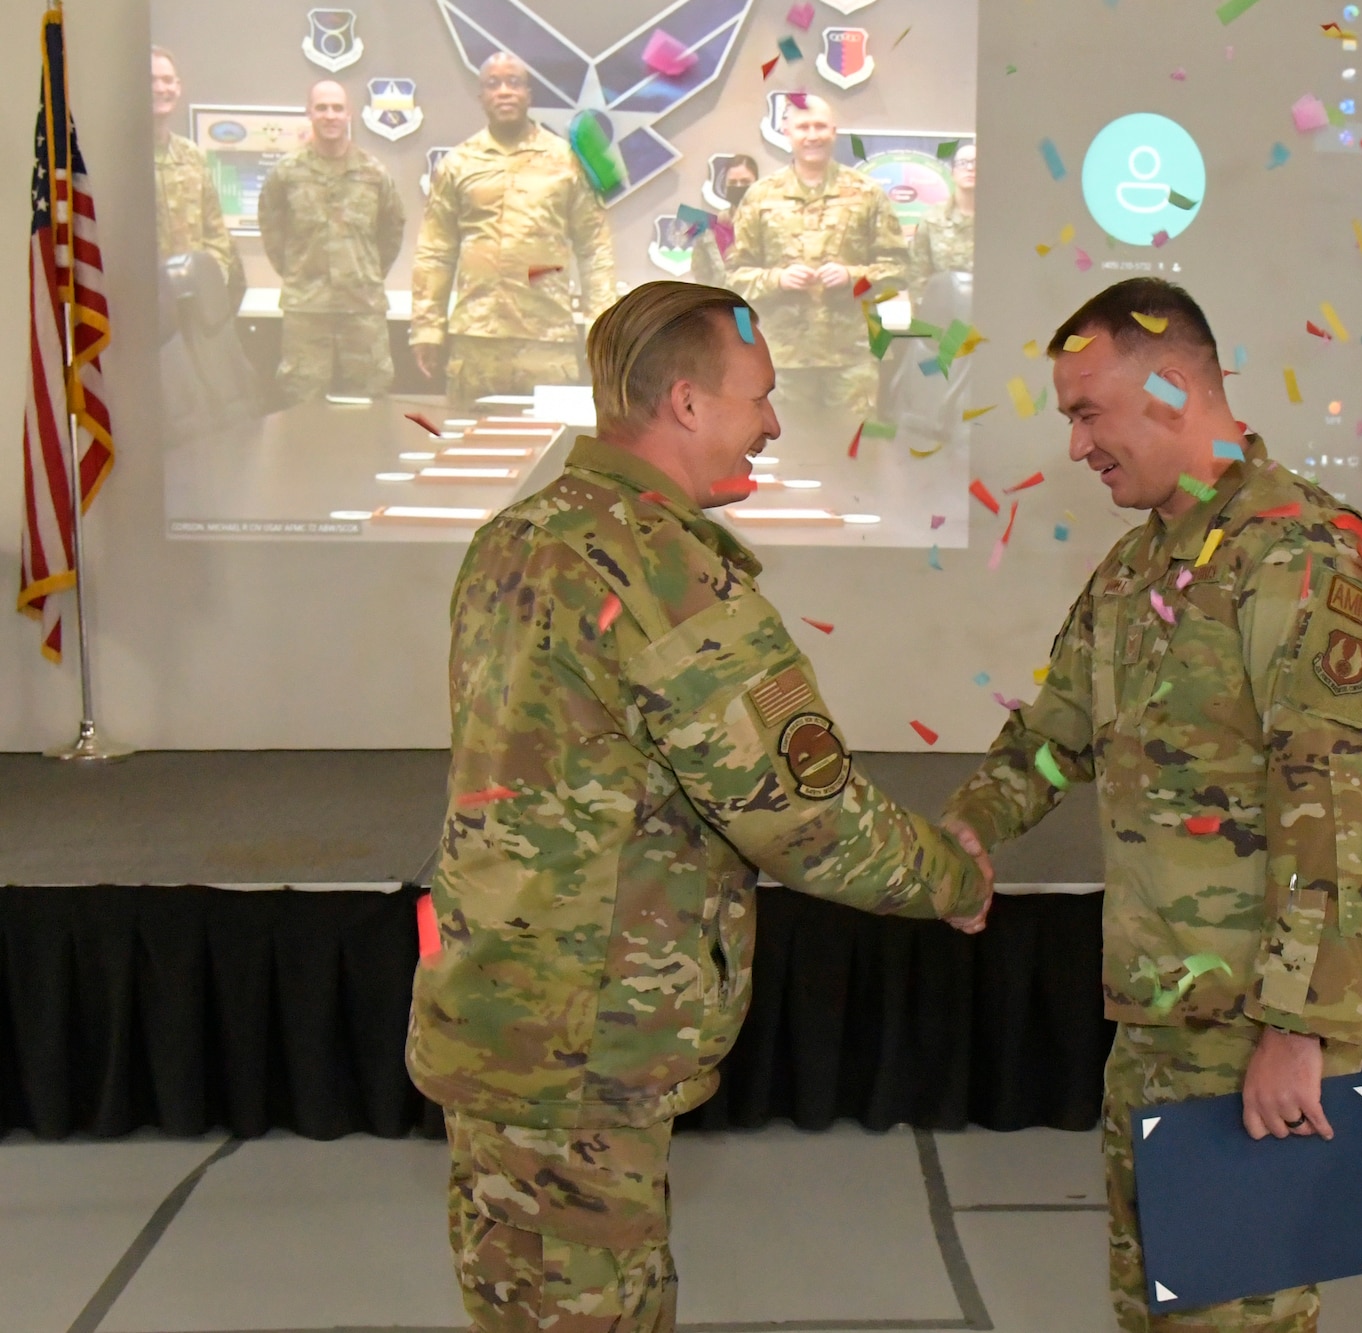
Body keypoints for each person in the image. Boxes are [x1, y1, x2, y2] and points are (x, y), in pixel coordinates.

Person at [407, 280, 993, 1332]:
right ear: (684, 404)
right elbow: (800, 812)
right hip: (585, 1046)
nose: (770, 423)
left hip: (509, 1011)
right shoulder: (662, 569)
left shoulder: (515, 533)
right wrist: (950, 876)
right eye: (758, 397)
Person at [939, 278, 1362, 1333]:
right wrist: (968, 829)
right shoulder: (1136, 569)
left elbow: (1333, 797)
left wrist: (1299, 1027)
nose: (1076, 447)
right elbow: (1054, 739)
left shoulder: (1300, 554)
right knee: (1157, 1309)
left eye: (1084, 411)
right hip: (1155, 1020)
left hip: (1258, 1032)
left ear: (1167, 388)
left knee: (1237, 1316)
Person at [410, 51, 618, 409]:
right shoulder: (457, 164)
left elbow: (594, 249)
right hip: (476, 342)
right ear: (481, 97)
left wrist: (603, 329)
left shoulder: (566, 161)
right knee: (470, 451)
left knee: (551, 454)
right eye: (493, 84)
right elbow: (435, 251)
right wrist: (427, 326)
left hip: (546, 341)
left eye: (514, 83)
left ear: (529, 95)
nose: (504, 91)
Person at [723, 95, 909, 431]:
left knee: (856, 455)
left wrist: (853, 275)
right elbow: (734, 276)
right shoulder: (760, 196)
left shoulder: (866, 193)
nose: (812, 135)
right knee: (789, 456)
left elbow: (898, 269)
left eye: (820, 126)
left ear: (834, 131)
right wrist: (777, 279)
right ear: (787, 132)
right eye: (803, 127)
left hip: (852, 358)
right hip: (782, 359)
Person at [257, 80, 406, 403]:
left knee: (370, 401)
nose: (330, 115)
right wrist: (298, 273)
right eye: (322, 107)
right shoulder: (286, 173)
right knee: (301, 400)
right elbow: (271, 229)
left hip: (362, 308)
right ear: (309, 112)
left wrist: (365, 272)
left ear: (349, 113)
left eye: (337, 108)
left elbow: (392, 230)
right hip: (307, 310)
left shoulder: (374, 172)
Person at [151, 46, 242, 306]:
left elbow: (216, 233)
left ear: (178, 87)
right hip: (142, 305)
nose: (160, 88)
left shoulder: (191, 155)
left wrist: (211, 281)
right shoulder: (124, 157)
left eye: (167, 80)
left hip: (194, 303)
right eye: (151, 80)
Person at [909, 142, 975, 289]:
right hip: (944, 309)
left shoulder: (1001, 221)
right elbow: (918, 277)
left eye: (976, 162)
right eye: (963, 163)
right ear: (953, 173)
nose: (970, 168)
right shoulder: (932, 219)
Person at [691, 153, 758, 289]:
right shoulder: (710, 229)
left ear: (757, 183)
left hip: (764, 307)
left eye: (745, 182)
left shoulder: (773, 223)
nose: (738, 187)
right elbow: (702, 276)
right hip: (727, 305)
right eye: (733, 183)